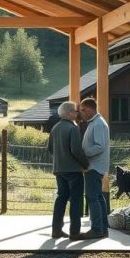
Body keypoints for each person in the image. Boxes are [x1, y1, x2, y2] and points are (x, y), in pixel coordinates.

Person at [46, 101, 89, 240]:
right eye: (75, 111)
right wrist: (85, 164)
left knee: (61, 198)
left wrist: (61, 159)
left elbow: (50, 149)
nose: (77, 113)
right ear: (69, 113)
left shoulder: (55, 128)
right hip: (73, 171)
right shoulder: (73, 128)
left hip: (59, 169)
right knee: (76, 200)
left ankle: (56, 230)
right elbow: (76, 150)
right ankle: (75, 232)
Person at [78, 97, 110, 239]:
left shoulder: (97, 124)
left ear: (89, 109)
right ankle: (102, 229)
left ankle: (97, 230)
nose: (81, 114)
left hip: (94, 167)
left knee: (92, 198)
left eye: (82, 111)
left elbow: (99, 146)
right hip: (96, 166)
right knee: (98, 197)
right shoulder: (96, 122)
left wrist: (83, 154)